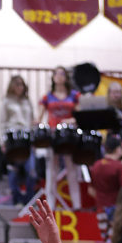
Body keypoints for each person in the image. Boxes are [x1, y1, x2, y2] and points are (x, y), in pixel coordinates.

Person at [39, 66, 81, 210]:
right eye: (56, 74)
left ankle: (77, 205)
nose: (59, 76)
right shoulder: (47, 97)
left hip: (69, 135)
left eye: (62, 74)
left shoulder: (74, 95)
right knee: (51, 170)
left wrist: (70, 121)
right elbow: (39, 118)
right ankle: (50, 205)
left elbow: (80, 116)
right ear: (53, 77)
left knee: (72, 169)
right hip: (53, 135)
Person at [86, 133, 122, 243]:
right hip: (115, 208)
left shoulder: (97, 165)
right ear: (117, 149)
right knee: (112, 240)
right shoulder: (119, 167)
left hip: (100, 208)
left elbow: (91, 190)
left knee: (106, 239)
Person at [0, 74, 36, 205]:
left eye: (22, 85)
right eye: (17, 85)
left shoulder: (27, 102)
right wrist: (2, 141)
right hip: (13, 138)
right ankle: (16, 199)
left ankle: (28, 201)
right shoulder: (6, 101)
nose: (20, 87)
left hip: (27, 137)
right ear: (12, 86)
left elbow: (32, 120)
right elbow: (2, 122)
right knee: (13, 170)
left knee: (31, 170)